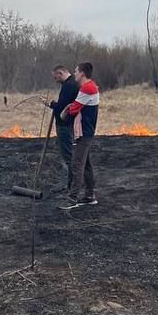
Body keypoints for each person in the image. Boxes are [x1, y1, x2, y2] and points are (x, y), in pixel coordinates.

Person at [58, 61, 99, 210]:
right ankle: (89, 196)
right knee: (86, 164)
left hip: (85, 132)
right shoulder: (91, 86)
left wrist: (68, 108)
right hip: (88, 131)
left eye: (76, 71)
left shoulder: (87, 88)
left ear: (82, 73)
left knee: (77, 164)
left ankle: (72, 199)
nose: (74, 74)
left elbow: (74, 110)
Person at [47, 65, 80, 192]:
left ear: (60, 73)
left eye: (56, 77)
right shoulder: (70, 84)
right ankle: (72, 184)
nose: (55, 80)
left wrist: (52, 104)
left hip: (65, 125)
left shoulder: (69, 85)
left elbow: (62, 106)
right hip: (67, 124)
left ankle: (73, 185)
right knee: (68, 154)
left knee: (68, 155)